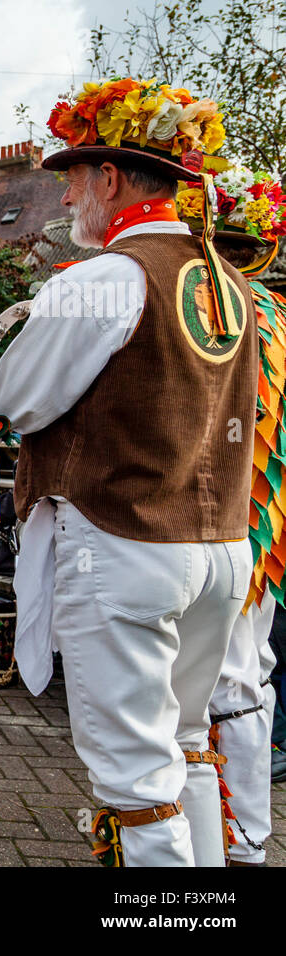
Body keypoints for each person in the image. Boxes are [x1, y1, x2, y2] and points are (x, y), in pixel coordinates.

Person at [0, 78, 255, 866]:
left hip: (126, 543)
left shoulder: (102, 280)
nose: (68, 193)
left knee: (136, 782)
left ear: (110, 178)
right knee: (185, 747)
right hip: (219, 549)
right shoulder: (226, 283)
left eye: (74, 176)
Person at [181, 168, 286, 864]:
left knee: (225, 678)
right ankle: (237, 829)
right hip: (263, 524)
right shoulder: (275, 316)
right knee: (248, 670)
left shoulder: (216, 310)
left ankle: (240, 835)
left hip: (222, 523)